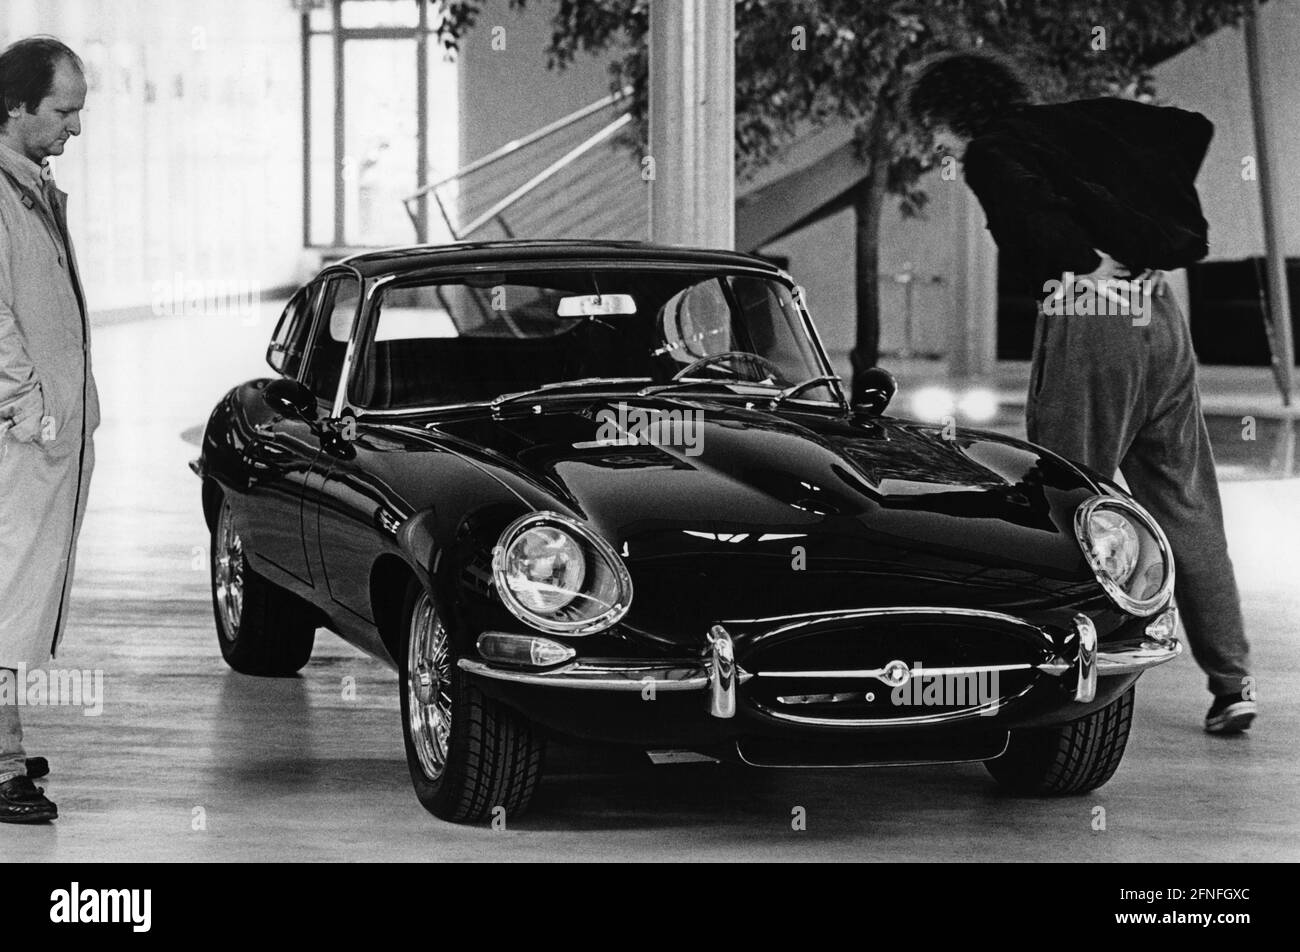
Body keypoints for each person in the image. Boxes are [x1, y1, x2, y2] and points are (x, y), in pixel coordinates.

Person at [905, 49, 1255, 735]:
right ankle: (1232, 681)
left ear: (952, 114)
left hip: (1092, 322)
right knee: (1186, 500)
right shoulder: (1080, 124)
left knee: (1064, 499)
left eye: (933, 130)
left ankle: (1065, 676)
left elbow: (1033, 219)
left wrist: (1089, 264)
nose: (934, 146)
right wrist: (1147, 239)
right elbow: (1190, 129)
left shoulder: (993, 152)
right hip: (1160, 317)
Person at [0, 36, 98, 822]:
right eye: (63, 111)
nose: (75, 128)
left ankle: (5, 735)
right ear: (16, 106)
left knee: (21, 594)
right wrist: (29, 409)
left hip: (43, 434)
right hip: (18, 436)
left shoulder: (28, 184)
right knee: (6, 594)